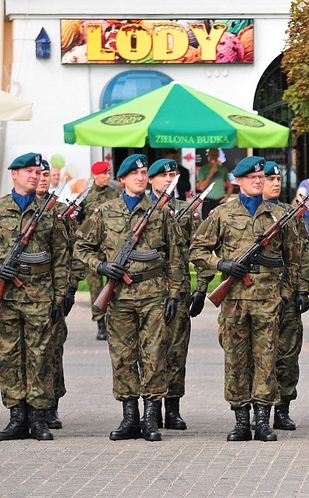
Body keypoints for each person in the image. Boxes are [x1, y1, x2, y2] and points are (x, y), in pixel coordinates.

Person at [191, 156, 300, 442]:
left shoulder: (278, 216)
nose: (258, 180)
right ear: (238, 181)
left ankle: (262, 421)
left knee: (266, 359)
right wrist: (221, 265)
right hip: (234, 300)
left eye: (261, 176)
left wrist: (289, 294)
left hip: (268, 299)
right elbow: (198, 251)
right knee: (236, 360)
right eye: (251, 177)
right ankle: (241, 420)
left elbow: (295, 259)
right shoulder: (222, 215)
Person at [75, 154, 182, 442]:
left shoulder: (160, 212)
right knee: (122, 357)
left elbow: (175, 258)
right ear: (121, 179)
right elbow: (80, 247)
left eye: (145, 172)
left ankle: (150, 418)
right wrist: (101, 266)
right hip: (119, 297)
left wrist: (174, 294)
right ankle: (129, 417)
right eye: (134, 174)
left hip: (153, 294)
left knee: (154, 355)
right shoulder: (104, 212)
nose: (140, 177)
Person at [0, 152, 69, 441]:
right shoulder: (0, 209)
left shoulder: (49, 212)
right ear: (13, 174)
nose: (34, 175)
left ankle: (39, 419)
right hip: (6, 299)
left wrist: (61, 296)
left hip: (40, 297)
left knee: (40, 357)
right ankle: (17, 417)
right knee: (9, 357)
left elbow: (61, 256)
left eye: (37, 171)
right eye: (27, 170)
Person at [147, 158, 214, 431]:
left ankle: (172, 409)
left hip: (180, 288)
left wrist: (201, 288)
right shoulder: (141, 211)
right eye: (162, 176)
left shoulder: (186, 211)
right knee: (149, 352)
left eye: (173, 175)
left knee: (175, 351)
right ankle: (149, 408)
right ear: (150, 180)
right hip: (145, 290)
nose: (168, 180)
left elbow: (200, 250)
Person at [262, 161, 309, 430]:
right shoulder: (252, 215)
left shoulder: (291, 214)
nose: (275, 182)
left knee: (288, 356)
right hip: (260, 296)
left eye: (278, 178)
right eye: (270, 178)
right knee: (260, 356)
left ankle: (282, 408)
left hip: (290, 295)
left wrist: (303, 289)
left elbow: (303, 253)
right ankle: (257, 410)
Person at [35, 160, 83, 431]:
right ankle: (27, 410)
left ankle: (51, 405)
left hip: (54, 292)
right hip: (24, 293)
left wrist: (70, 288)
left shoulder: (63, 212)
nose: (42, 179)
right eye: (38, 174)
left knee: (52, 351)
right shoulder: (12, 210)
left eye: (45, 175)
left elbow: (75, 252)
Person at [74, 161, 119, 341]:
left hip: (111, 248)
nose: (107, 177)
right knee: (95, 287)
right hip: (92, 250)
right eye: (103, 174)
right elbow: (78, 221)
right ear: (95, 176)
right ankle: (100, 322)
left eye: (108, 173)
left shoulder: (114, 193)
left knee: (113, 285)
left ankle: (113, 321)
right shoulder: (86, 196)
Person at [196, 148, 233, 218]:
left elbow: (230, 186)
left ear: (218, 155)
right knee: (206, 224)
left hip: (220, 200)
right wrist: (211, 173)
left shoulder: (223, 168)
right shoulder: (203, 169)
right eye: (212, 155)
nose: (214, 157)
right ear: (209, 156)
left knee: (221, 223)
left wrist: (227, 197)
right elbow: (201, 187)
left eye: (216, 155)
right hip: (208, 201)